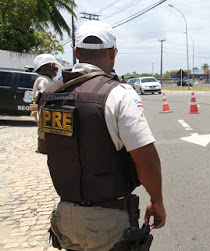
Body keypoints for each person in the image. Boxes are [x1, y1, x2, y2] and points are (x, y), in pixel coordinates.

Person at [38, 20, 166, 251]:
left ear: (76, 52)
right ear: (113, 52)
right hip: (108, 223)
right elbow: (146, 161)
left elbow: (48, 147)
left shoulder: (48, 95)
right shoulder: (118, 94)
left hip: (65, 217)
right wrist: (157, 201)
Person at [30, 54, 62, 154]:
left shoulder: (46, 79)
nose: (55, 69)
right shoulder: (43, 80)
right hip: (43, 109)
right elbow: (41, 95)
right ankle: (43, 147)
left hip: (42, 109)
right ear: (44, 68)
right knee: (43, 131)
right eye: (52, 66)